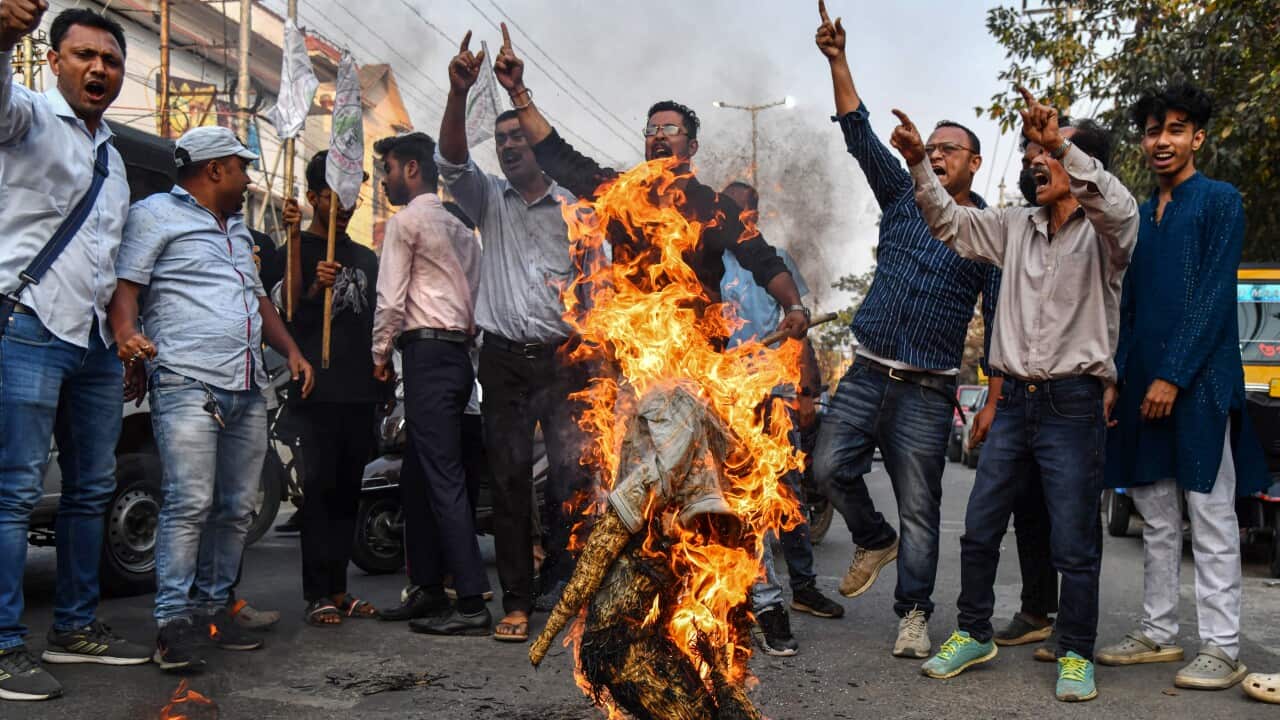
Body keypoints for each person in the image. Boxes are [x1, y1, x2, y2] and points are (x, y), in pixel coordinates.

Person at [893, 87, 1138, 702]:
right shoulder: (1011, 226)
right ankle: (973, 633)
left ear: (1077, 163)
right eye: (1030, 150)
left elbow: (1119, 208)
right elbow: (947, 221)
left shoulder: (1107, 234)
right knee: (979, 528)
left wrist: (1063, 144)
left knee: (1074, 540)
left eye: (1047, 152)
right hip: (1016, 404)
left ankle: (1076, 650)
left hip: (1074, 403)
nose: (1035, 159)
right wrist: (921, 163)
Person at [809, 0, 1001, 660]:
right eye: (935, 147)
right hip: (865, 372)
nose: (940, 155)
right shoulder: (902, 196)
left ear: (975, 164)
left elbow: (1001, 324)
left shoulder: (988, 233)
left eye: (952, 149)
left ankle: (914, 615)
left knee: (923, 509)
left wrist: (995, 400)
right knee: (827, 466)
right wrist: (838, 60)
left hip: (927, 391)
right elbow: (859, 133)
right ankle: (871, 536)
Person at [108, 126, 315, 671]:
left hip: (247, 386)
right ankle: (172, 624)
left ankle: (213, 611)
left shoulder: (239, 230)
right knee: (189, 502)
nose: (249, 177)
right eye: (242, 166)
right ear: (213, 169)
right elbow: (126, 288)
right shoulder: (154, 214)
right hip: (186, 381)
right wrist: (128, 339)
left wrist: (291, 350)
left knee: (237, 508)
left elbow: (259, 302)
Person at [0, 4, 153, 702]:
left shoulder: (114, 161)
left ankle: (75, 627)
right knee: (13, 494)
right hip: (27, 327)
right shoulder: (25, 116)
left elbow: (111, 259)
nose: (99, 69)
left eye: (111, 61)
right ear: (54, 60)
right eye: (84, 55)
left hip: (92, 343)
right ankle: (4, 648)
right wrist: (3, 36)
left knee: (91, 492)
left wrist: (124, 337)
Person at [1096, 82, 1269, 690]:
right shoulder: (1141, 216)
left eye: (1174, 129)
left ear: (1196, 137)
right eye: (1151, 131)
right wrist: (1119, 375)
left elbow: (1216, 295)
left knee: (1212, 513)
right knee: (1157, 513)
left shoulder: (1220, 200)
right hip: (1144, 385)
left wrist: (1174, 375)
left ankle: (1222, 647)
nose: (1161, 141)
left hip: (1200, 384)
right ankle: (1159, 631)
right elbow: (1130, 305)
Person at [491, 24, 809, 340]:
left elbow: (763, 259)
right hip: (637, 355)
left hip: (698, 359)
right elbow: (557, 157)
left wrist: (794, 306)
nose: (658, 135)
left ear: (692, 146)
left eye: (670, 130)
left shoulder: (713, 207)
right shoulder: (621, 193)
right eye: (652, 130)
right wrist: (518, 92)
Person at [433, 34, 593, 643]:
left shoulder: (575, 207)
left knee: (572, 479)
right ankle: (518, 604)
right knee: (506, 481)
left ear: (536, 145)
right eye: (499, 140)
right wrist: (459, 91)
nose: (506, 146)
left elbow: (596, 284)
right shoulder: (486, 199)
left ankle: (570, 586)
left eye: (515, 137)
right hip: (501, 362)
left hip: (562, 361)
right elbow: (450, 158)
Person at [371, 131, 492, 636]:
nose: (384, 181)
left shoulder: (406, 223)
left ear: (413, 170)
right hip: (458, 357)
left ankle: (469, 602)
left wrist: (379, 353)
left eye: (390, 169)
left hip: (426, 356)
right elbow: (479, 301)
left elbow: (391, 299)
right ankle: (426, 587)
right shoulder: (463, 230)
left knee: (441, 477)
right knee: (418, 476)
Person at [718, 182, 845, 658]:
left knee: (782, 496)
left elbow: (798, 330)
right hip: (718, 395)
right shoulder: (706, 259)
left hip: (771, 395)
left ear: (755, 215)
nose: (739, 221)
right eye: (731, 213)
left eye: (746, 213)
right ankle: (738, 602)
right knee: (727, 505)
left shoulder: (775, 260)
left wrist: (806, 390)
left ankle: (796, 591)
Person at [280, 151, 386, 627]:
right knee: (319, 493)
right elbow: (283, 314)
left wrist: (386, 366)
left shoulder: (365, 257)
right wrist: (310, 287)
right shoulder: (296, 247)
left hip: (360, 392)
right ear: (312, 197)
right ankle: (315, 593)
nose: (344, 205)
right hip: (315, 393)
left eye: (351, 195)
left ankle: (340, 589)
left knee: (348, 492)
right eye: (333, 195)